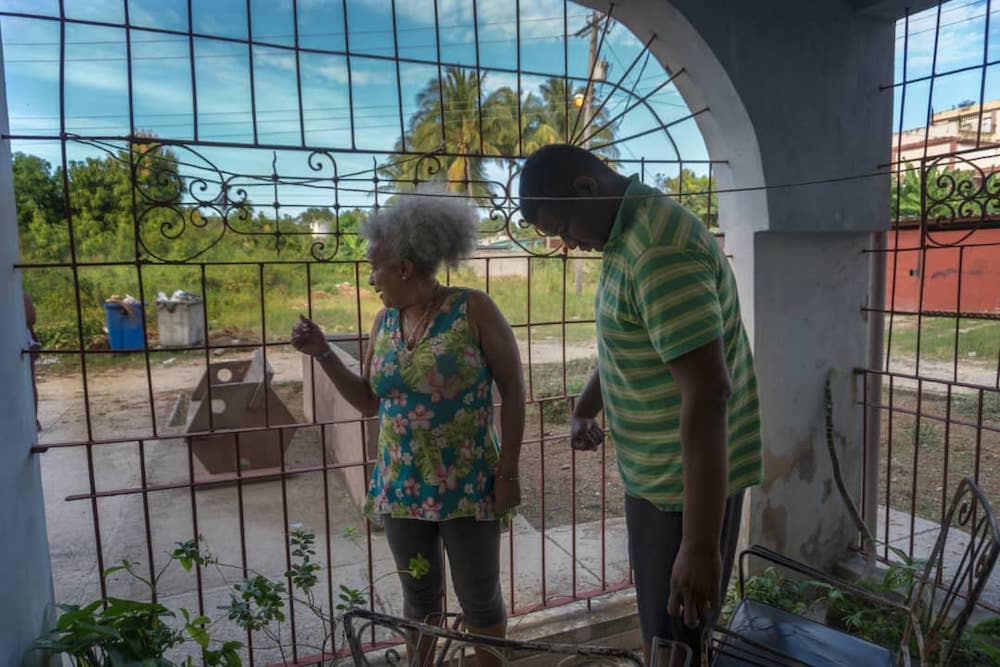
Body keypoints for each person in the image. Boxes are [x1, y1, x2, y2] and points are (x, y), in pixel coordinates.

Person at [518, 144, 762, 665]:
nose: (568, 243)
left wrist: (699, 545)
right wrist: (586, 405)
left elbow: (709, 393)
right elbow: (634, 342)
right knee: (666, 628)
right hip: (660, 479)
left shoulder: (656, 250)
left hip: (683, 492)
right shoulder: (625, 235)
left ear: (587, 188)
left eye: (564, 226)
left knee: (676, 640)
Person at [291, 190, 525, 666]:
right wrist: (322, 352)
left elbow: (515, 392)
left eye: (375, 267)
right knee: (419, 598)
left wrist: (507, 475)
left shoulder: (473, 309)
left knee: (480, 599)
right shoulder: (384, 321)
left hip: (467, 484)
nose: (370, 278)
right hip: (401, 486)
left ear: (403, 267)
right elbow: (368, 400)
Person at [24, 292, 41, 431]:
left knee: (29, 383)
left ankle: (33, 420)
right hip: (27, 344)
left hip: (27, 344)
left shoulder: (23, 296)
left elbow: (31, 318)